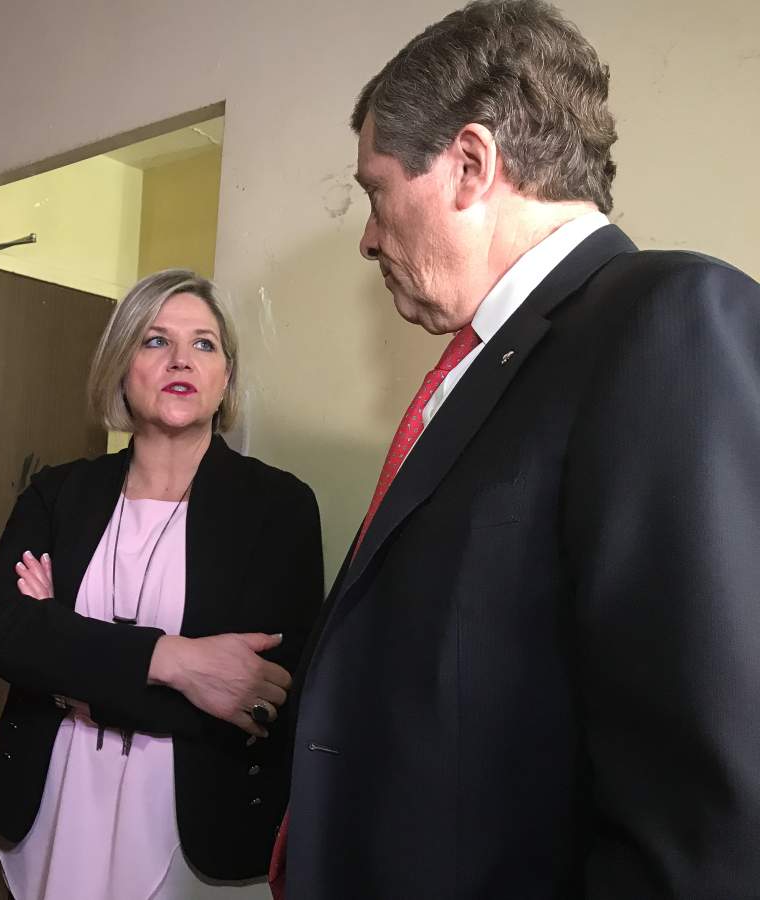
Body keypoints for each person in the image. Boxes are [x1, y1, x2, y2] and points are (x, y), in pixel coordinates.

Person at [271, 1, 760, 897]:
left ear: (469, 164)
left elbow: (708, 809)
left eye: (377, 193)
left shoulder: (667, 320)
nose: (369, 236)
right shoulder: (492, 363)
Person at [0, 269, 323, 898]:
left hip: (197, 823)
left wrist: (70, 665)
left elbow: (263, 697)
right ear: (120, 364)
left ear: (226, 376)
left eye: (205, 344)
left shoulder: (278, 507)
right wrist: (178, 661)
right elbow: (3, 633)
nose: (182, 359)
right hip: (53, 805)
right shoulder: (59, 493)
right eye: (155, 340)